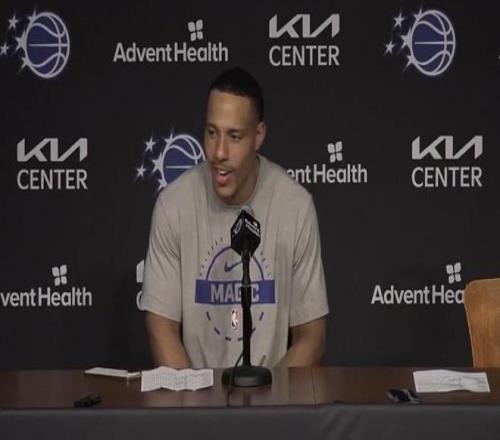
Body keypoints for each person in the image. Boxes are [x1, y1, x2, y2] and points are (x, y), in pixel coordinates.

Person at [140, 67, 329, 368]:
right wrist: (194, 395)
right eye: (211, 133)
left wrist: (273, 394)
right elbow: (161, 328)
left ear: (258, 136)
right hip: (196, 392)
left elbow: (312, 337)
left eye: (234, 136)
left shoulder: (294, 206)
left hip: (273, 390)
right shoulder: (173, 205)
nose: (219, 152)